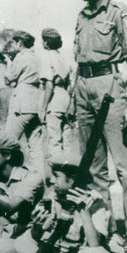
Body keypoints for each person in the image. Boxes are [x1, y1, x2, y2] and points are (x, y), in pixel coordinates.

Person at [69, 0, 127, 251]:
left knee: (124, 166)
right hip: (84, 88)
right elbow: (79, 56)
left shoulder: (119, 12)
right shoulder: (81, 15)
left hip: (110, 88)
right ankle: (105, 227)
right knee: (94, 166)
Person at [2, 151, 121, 253]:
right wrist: (37, 227)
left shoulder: (95, 201)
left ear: (72, 179)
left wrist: (83, 210)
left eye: (56, 176)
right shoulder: (52, 198)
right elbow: (38, 237)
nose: (52, 180)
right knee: (21, 243)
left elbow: (95, 244)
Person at [3, 30, 45, 174]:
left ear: (19, 42)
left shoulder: (21, 58)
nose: (13, 45)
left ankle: (11, 176)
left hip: (21, 105)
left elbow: (8, 79)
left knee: (7, 141)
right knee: (36, 147)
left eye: (14, 43)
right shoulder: (37, 58)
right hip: (35, 104)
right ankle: (40, 179)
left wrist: (8, 63)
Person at [39, 28, 74, 158]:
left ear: (46, 43)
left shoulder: (47, 58)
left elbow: (49, 85)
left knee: (54, 141)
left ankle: (59, 174)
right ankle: (70, 172)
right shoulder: (63, 59)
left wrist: (43, 108)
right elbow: (70, 84)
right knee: (68, 141)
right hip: (65, 99)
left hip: (54, 100)